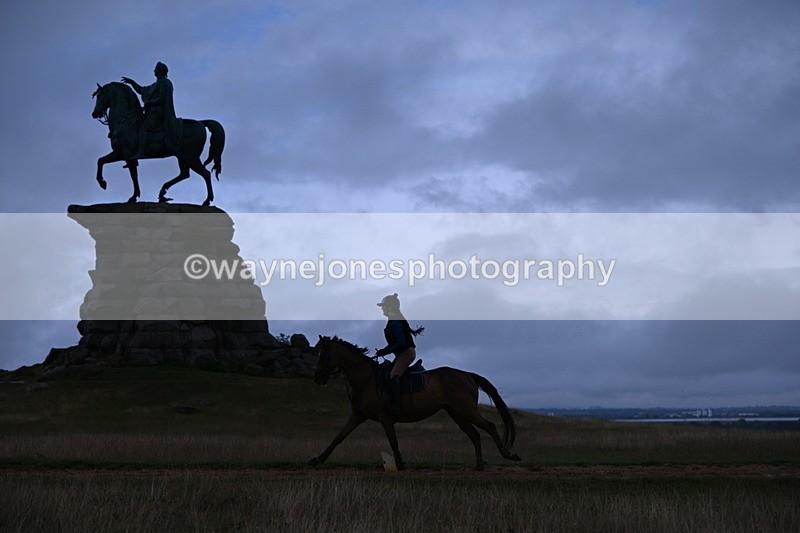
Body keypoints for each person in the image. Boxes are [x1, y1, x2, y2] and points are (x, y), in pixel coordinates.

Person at [375, 293, 425, 414]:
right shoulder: (392, 322)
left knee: (394, 375)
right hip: (401, 354)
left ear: (391, 307)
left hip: (406, 354)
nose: (382, 308)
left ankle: (397, 406)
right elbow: (394, 344)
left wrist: (386, 351)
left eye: (384, 306)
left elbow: (401, 343)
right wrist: (383, 350)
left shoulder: (396, 322)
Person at [121, 61, 182, 157]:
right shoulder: (154, 85)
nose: (154, 71)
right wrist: (132, 82)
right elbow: (141, 90)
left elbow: (161, 98)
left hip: (158, 114)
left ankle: (140, 151)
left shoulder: (165, 82)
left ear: (160, 71)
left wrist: (148, 103)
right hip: (151, 113)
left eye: (156, 69)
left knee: (141, 125)